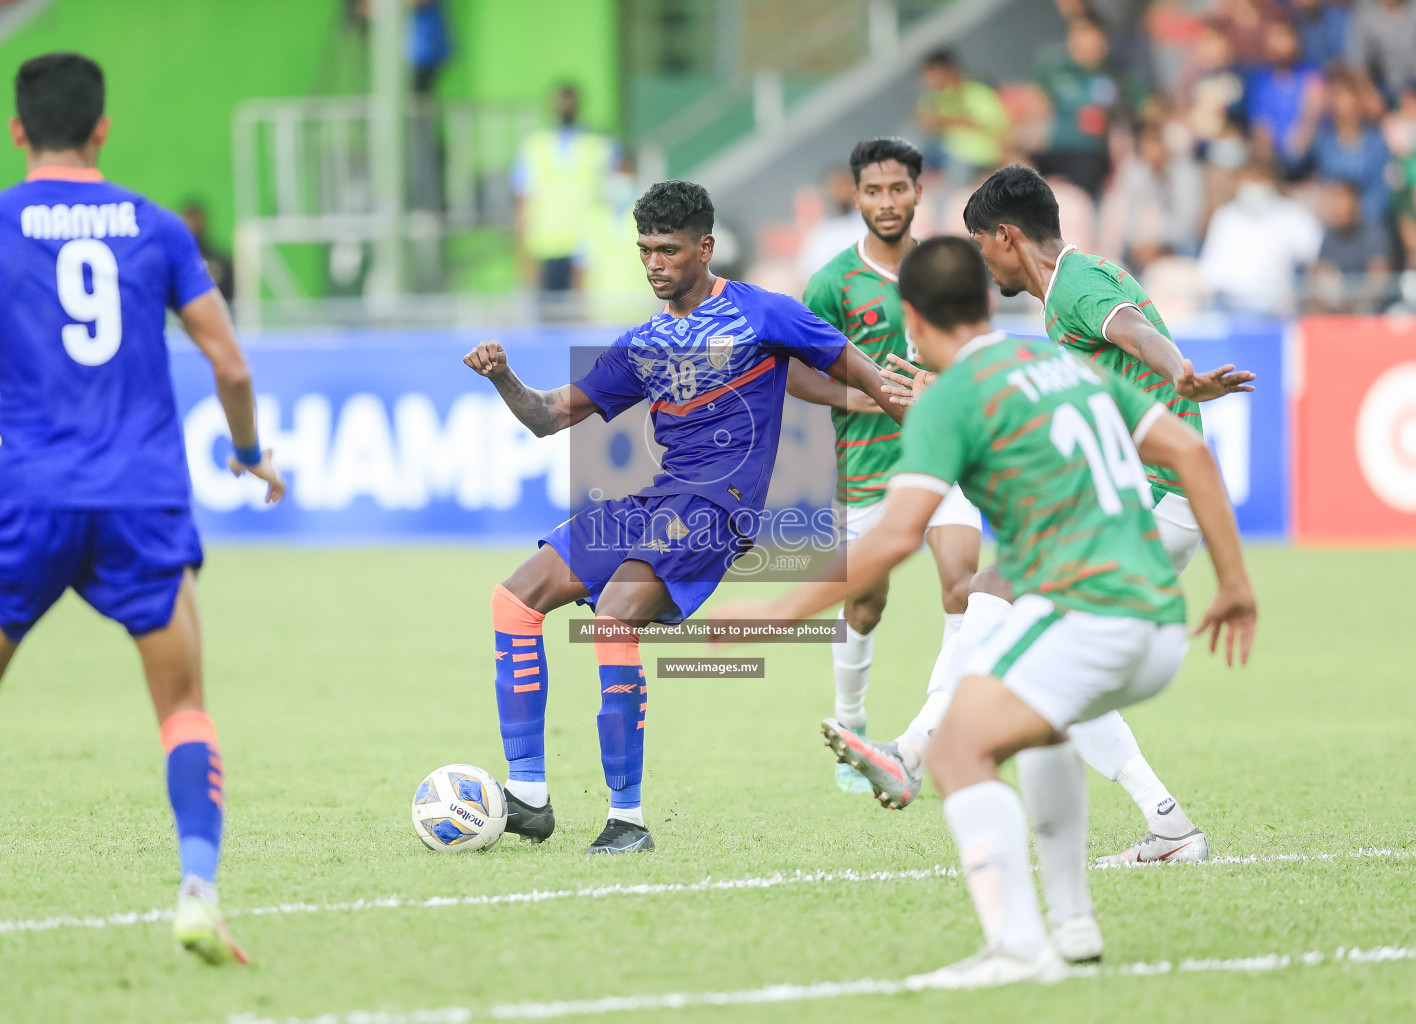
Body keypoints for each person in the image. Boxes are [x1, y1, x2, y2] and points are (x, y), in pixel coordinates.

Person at [710, 235, 1257, 987]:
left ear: (912, 316)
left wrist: (778, 610)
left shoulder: (950, 400)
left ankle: (1016, 944)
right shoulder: (1061, 362)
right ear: (982, 299)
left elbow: (897, 535)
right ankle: (1073, 922)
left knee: (963, 750)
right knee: (1037, 714)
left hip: (1092, 614)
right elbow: (1192, 455)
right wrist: (1235, 584)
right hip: (1158, 623)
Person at [832, 166, 1255, 873]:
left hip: (1146, 499)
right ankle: (1167, 824)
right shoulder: (1073, 284)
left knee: (1000, 611)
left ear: (1007, 236)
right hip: (1136, 499)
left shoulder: (1077, 287)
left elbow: (1135, 331)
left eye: (979, 244)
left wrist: (1179, 369)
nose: (979, 262)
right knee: (1046, 656)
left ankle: (910, 750)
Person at [463, 180, 903, 854]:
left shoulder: (765, 313)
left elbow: (868, 375)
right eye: (644, 250)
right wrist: (503, 378)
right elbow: (549, 416)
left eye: (666, 250)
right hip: (657, 498)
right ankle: (526, 797)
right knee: (514, 599)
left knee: (614, 613)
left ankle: (627, 821)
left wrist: (931, 428)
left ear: (705, 247)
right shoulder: (642, 343)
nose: (653, 264)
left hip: (716, 506)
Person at [0, 53, 285, 964]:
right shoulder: (157, 228)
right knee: (183, 707)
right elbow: (230, 365)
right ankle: (198, 891)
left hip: (28, 500)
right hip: (142, 502)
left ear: (17, 133)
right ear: (103, 129)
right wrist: (247, 455)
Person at [785, 138, 982, 798]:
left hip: (941, 461)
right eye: (874, 191)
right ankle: (851, 725)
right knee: (864, 606)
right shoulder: (832, 281)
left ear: (919, 192)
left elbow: (975, 352)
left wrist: (942, 385)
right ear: (856, 195)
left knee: (965, 590)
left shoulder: (948, 268)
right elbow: (790, 369)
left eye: (899, 189)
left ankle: (923, 736)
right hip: (865, 467)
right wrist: (866, 392)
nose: (887, 202)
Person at [511, 84, 616, 306]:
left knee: (582, 319)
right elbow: (522, 202)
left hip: (588, 245)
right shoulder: (535, 146)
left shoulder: (600, 146)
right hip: (545, 248)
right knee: (550, 318)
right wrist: (523, 253)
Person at [1199, 157, 1324, 314]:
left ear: (1272, 182)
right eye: (1250, 180)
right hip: (1232, 309)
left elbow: (1316, 255)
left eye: (1259, 180)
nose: (1254, 186)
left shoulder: (1292, 215)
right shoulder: (1226, 217)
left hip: (1278, 311)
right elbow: (1210, 271)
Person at [1033, 14, 1133, 198]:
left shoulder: (1114, 75)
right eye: (1079, 33)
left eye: (1093, 35)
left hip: (1092, 156)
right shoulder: (1056, 68)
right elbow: (1037, 108)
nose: (1086, 41)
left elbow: (1122, 121)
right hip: (1054, 153)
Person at [915, 49, 1010, 185]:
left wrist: (950, 120)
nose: (927, 81)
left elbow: (998, 130)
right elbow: (926, 125)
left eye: (931, 74)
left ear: (945, 70)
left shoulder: (977, 92)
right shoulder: (933, 99)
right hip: (950, 157)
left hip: (981, 159)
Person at [1310, 178, 1394, 311]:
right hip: (1337, 313)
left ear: (1355, 202)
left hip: (1371, 314)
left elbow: (1378, 283)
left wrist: (1351, 299)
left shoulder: (1373, 233)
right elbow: (1320, 278)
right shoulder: (1329, 236)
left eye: (1341, 199)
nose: (1335, 206)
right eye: (1333, 199)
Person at [796, 166, 866, 280]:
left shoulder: (869, 225)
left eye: (845, 184)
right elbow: (809, 273)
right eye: (836, 186)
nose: (841, 191)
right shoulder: (820, 233)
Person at [180, 201, 235, 302]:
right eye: (188, 220)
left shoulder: (221, 263)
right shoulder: (174, 262)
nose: (191, 225)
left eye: (195, 220)